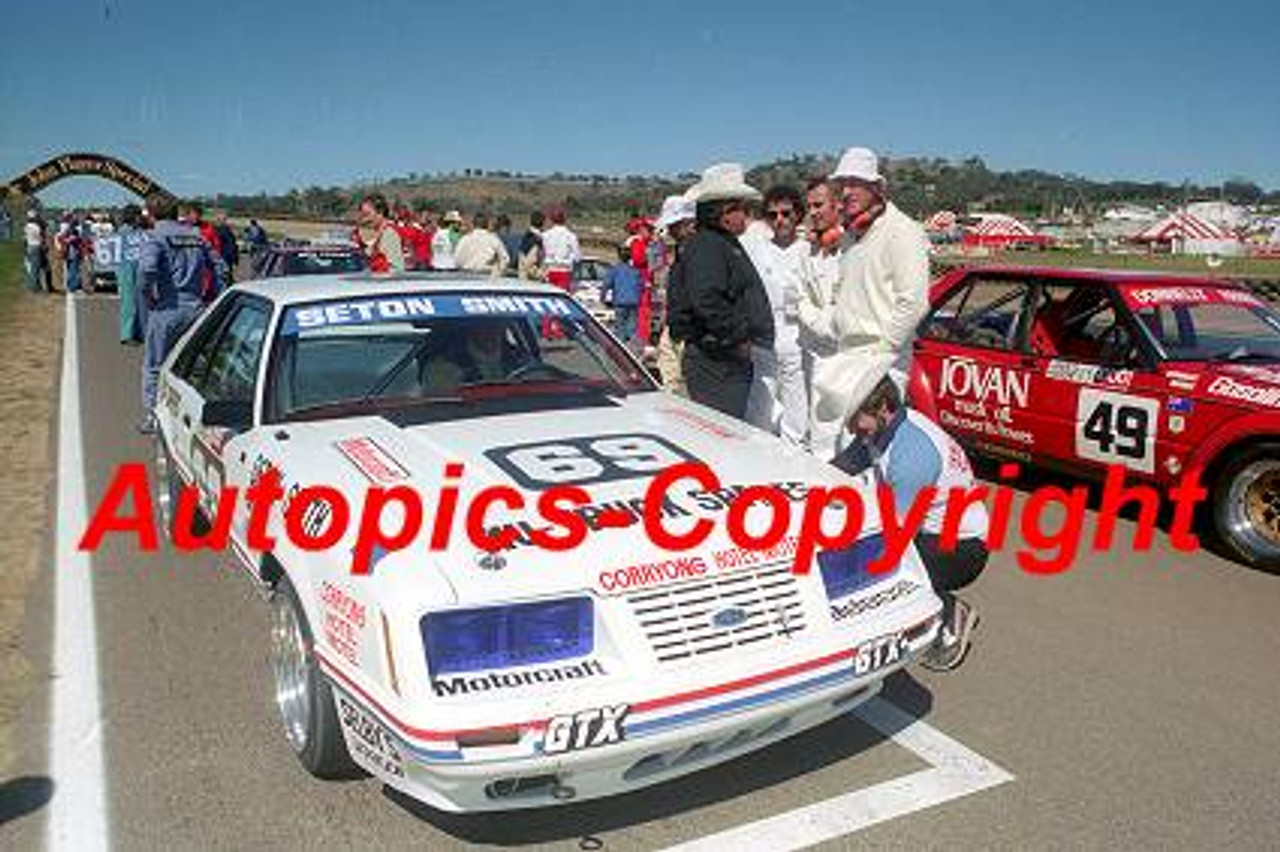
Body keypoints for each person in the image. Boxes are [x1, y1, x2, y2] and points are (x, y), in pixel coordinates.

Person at [830, 362, 988, 671]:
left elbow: (896, 537)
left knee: (866, 566)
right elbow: (842, 467)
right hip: (935, 534)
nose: (851, 430)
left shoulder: (911, 455)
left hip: (960, 550)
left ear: (883, 406)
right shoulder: (886, 428)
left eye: (855, 420)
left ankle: (947, 615)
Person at [796, 148, 930, 459]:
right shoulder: (852, 237)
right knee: (832, 445)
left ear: (877, 188)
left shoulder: (902, 231)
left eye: (857, 182)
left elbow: (913, 302)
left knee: (872, 451)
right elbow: (841, 299)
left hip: (881, 361)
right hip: (847, 356)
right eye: (843, 183)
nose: (848, 190)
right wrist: (816, 318)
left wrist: (883, 353)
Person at [667, 163, 775, 419]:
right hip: (716, 363)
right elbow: (706, 298)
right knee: (723, 431)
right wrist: (738, 339)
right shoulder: (708, 245)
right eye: (742, 209)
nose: (747, 216)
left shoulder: (717, 243)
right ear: (725, 212)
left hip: (723, 361)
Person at [138, 194, 227, 433]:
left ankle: (152, 416)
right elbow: (220, 266)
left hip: (166, 308)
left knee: (154, 366)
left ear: (152, 213)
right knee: (193, 366)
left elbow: (147, 269)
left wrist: (148, 294)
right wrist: (219, 297)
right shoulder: (196, 235)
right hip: (196, 308)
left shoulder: (155, 237)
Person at [743, 185, 810, 445]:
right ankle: (757, 448)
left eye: (786, 213)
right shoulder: (756, 249)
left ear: (798, 214)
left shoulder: (808, 250)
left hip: (798, 336)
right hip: (764, 335)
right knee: (762, 398)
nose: (780, 220)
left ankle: (795, 447)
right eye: (772, 215)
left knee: (797, 398)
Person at [653, 194, 697, 394]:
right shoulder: (679, 250)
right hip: (673, 326)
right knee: (670, 382)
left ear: (689, 222)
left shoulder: (698, 250)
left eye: (675, 224)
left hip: (688, 331)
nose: (670, 230)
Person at [603, 243, 643, 348]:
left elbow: (606, 285)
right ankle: (633, 349)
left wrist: (602, 298)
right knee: (632, 328)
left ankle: (622, 350)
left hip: (620, 301)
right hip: (634, 302)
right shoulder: (635, 271)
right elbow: (641, 287)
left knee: (620, 327)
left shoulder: (615, 270)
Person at [116, 204, 146, 343]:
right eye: (138, 215)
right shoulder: (122, 231)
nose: (140, 218)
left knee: (141, 299)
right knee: (128, 300)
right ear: (133, 216)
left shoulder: (141, 231)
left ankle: (140, 332)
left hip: (139, 266)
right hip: (125, 267)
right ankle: (126, 334)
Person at [356, 194, 406, 273]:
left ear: (380, 213)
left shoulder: (390, 235)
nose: (364, 219)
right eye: (362, 215)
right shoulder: (373, 234)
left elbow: (397, 270)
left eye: (367, 214)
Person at [454, 211, 511, 276]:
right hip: (487, 275)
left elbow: (457, 261)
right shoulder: (494, 239)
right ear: (486, 225)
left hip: (467, 276)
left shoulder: (464, 240)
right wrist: (497, 266)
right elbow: (506, 260)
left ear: (473, 224)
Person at [540, 207, 580, 292]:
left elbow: (542, 254)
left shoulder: (545, 235)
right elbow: (577, 257)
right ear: (565, 219)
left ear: (551, 220)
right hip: (564, 271)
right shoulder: (571, 236)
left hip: (549, 270)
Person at [518, 210, 546, 280]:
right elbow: (530, 263)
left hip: (523, 277)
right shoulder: (537, 239)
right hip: (531, 279)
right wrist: (541, 274)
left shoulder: (526, 237)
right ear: (542, 223)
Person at [213, 212, 240, 282]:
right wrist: (235, 259)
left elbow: (231, 246)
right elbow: (231, 246)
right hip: (223, 257)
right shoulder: (224, 230)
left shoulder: (219, 229)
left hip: (222, 257)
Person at [23, 211, 45, 293]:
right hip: (36, 246)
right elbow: (40, 238)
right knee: (35, 268)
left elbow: (25, 238)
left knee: (31, 267)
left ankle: (32, 285)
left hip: (29, 246)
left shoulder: (27, 226)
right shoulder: (36, 227)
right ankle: (34, 287)